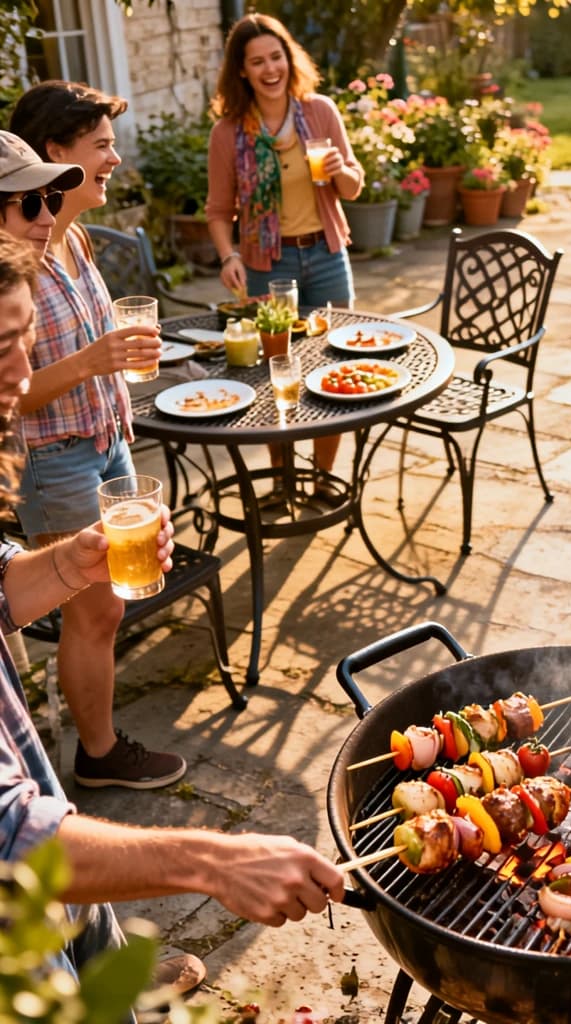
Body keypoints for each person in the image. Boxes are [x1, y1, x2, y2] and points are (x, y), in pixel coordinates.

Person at [0, 228, 348, 1004]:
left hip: (54, 900)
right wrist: (212, 862)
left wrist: (66, 562)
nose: (24, 377)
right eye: (3, 349)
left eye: (26, 342)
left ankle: (109, 972)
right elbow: (8, 836)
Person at [7, 84, 181, 790]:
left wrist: (117, 365)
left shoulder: (66, 233)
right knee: (98, 608)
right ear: (56, 153)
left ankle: (86, 739)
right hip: (55, 460)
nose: (114, 157)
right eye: (100, 144)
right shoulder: (10, 258)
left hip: (104, 438)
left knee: (104, 603)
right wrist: (94, 359)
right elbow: (13, 397)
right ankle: (99, 755)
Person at [206, 12, 365, 498]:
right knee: (269, 374)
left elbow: (354, 189)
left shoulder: (319, 111)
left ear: (288, 59)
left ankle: (320, 479)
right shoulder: (228, 133)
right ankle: (281, 481)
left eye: (276, 56)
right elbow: (217, 210)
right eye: (257, 61)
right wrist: (228, 255)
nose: (270, 68)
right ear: (242, 70)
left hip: (325, 255)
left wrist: (340, 170)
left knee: (332, 368)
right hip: (264, 266)